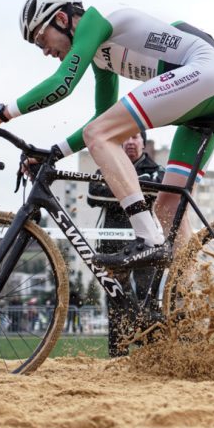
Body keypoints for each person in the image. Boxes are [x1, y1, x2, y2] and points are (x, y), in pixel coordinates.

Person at [0, 0, 214, 270]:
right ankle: (194, 300)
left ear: (61, 19)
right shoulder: (99, 54)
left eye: (41, 38)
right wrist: (55, 153)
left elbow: (62, 84)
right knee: (167, 207)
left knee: (101, 135)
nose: (44, 51)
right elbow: (102, 117)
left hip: (207, 71)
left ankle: (147, 239)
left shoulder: (96, 19)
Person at [87, 131, 165, 357]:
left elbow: (155, 191)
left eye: (135, 137)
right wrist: (132, 191)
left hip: (146, 243)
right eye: (126, 138)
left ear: (144, 142)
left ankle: (151, 352)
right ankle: (117, 353)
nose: (130, 142)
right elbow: (94, 194)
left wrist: (119, 189)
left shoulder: (156, 171)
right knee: (115, 299)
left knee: (146, 297)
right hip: (111, 244)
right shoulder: (105, 167)